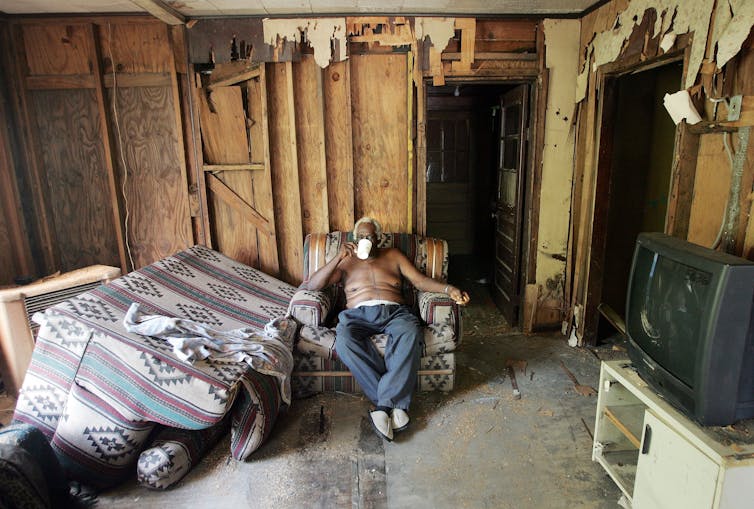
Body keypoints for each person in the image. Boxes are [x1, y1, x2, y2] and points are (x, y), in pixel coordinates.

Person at [306, 217, 470, 441]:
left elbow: (420, 282)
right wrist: (337, 258)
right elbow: (313, 285)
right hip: (357, 315)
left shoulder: (393, 255)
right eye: (361, 237)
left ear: (378, 238)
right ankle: (395, 404)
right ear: (355, 239)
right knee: (344, 341)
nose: (365, 240)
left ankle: (382, 407)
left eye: (369, 237)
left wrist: (449, 288)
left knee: (411, 332)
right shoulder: (345, 261)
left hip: (395, 312)